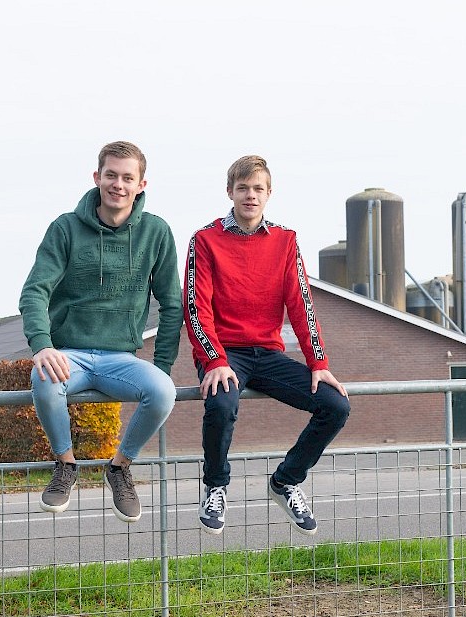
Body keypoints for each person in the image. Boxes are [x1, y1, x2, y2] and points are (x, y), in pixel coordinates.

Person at [183, 154, 350, 536]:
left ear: (269, 193)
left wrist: (318, 362)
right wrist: (214, 361)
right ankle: (215, 485)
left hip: (268, 354)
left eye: (258, 188)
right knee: (222, 403)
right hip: (225, 355)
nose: (250, 195)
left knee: (335, 405)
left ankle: (286, 481)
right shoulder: (205, 240)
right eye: (242, 188)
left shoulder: (286, 241)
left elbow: (301, 305)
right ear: (230, 192)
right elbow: (195, 307)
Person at [19, 140, 182, 522]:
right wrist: (42, 346)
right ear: (97, 177)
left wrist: (162, 364)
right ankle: (66, 465)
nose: (118, 185)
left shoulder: (156, 233)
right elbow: (34, 291)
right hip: (69, 354)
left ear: (142, 184)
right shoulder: (65, 228)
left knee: (163, 391)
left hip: (120, 357)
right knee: (43, 379)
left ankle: (120, 467)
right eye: (111, 175)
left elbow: (172, 304)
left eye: (128, 177)